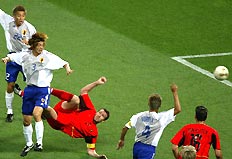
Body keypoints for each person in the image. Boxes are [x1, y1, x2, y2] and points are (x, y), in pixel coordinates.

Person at [1, 32, 73, 157]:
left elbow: (63, 62)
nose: (41, 47)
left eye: (42, 45)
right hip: (29, 90)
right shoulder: (25, 55)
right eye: (39, 45)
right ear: (33, 45)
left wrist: (67, 68)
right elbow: (13, 57)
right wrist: (7, 59)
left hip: (43, 90)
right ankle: (29, 144)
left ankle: (39, 143)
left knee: (36, 113)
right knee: (26, 121)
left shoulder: (47, 56)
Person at [15, 76, 110, 159]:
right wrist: (97, 83)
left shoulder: (93, 133)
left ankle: (23, 94)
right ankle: (50, 90)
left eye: (102, 116)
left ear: (103, 121)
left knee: (47, 109)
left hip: (60, 122)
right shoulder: (91, 110)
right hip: (65, 110)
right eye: (100, 112)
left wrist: (98, 156)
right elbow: (84, 91)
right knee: (76, 100)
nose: (99, 115)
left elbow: (91, 151)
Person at [116, 84, 181, 159]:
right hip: (148, 149)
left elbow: (125, 127)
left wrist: (122, 139)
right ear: (160, 106)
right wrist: (174, 92)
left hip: (137, 147)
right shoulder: (162, 118)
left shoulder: (139, 116)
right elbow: (178, 109)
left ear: (148, 104)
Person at [0, 5, 36, 122]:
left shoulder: (30, 28)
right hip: (12, 57)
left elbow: (36, 44)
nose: (21, 18)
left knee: (32, 85)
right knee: (10, 85)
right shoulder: (7, 21)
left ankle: (38, 109)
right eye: (18, 16)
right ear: (14, 16)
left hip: (25, 58)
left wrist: (30, 44)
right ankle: (9, 111)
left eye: (23, 16)